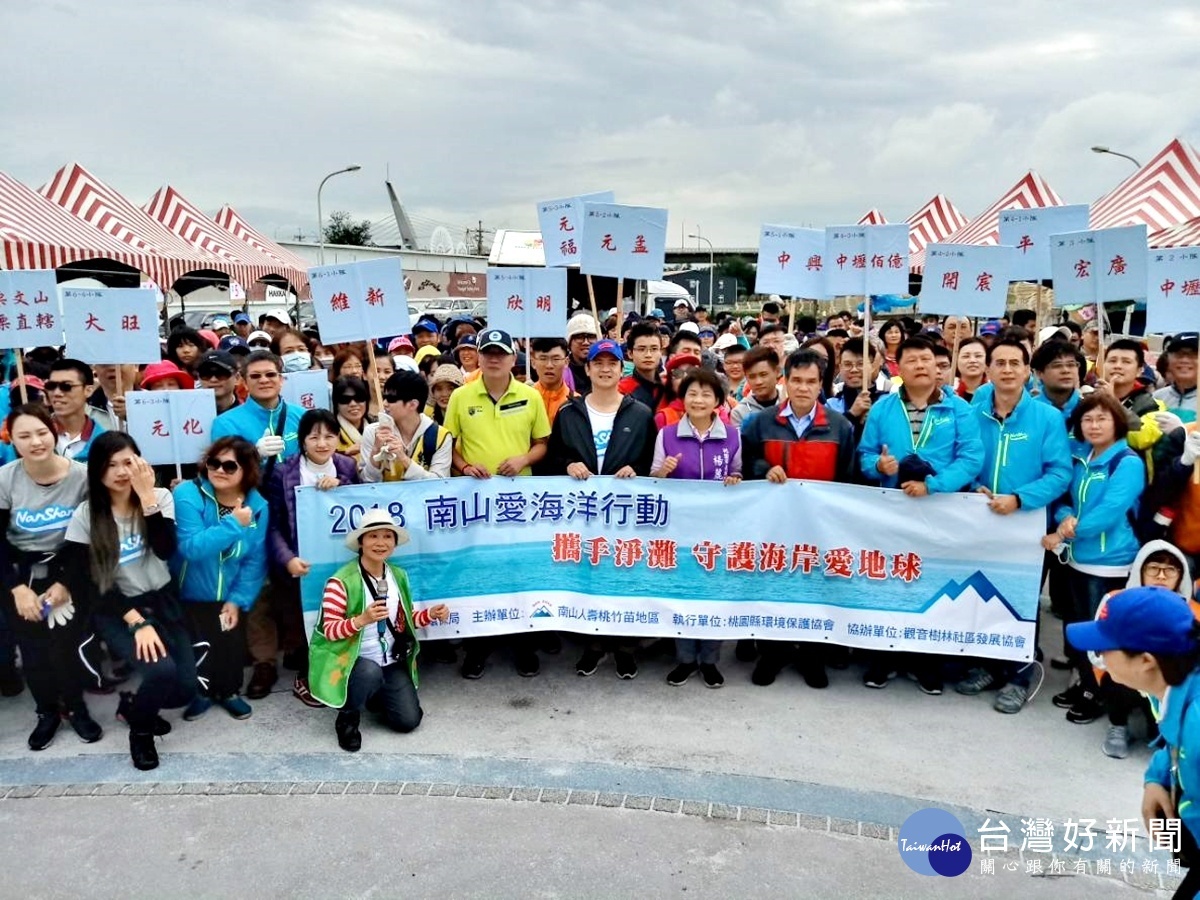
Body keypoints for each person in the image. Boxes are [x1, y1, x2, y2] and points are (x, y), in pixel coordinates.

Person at [858, 336, 985, 694]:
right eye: (911, 360)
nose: (920, 365)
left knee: (932, 583)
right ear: (899, 368)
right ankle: (884, 658)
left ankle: (924, 661)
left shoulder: (959, 409)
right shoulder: (883, 408)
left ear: (938, 365)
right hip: (893, 510)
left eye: (926, 359)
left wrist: (935, 484)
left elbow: (972, 458)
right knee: (889, 581)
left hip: (939, 510)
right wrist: (877, 465)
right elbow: (865, 454)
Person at [63, 432, 194, 771]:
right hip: (116, 606)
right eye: (111, 464)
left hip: (162, 598)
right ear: (97, 470)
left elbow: (166, 550)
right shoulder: (86, 515)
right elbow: (88, 585)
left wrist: (147, 497)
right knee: (161, 671)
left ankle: (132, 705)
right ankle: (140, 732)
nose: (122, 471)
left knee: (185, 687)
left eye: (129, 461)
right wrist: (137, 622)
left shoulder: (160, 497)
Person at [954, 340, 1072, 714]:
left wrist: (1020, 498)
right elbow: (959, 458)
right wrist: (974, 488)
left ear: (1027, 371)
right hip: (979, 520)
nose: (1007, 370)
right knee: (980, 593)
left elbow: (1060, 472)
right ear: (987, 370)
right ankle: (987, 665)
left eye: (1014, 363)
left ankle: (1019, 675)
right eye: (999, 363)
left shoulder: (1047, 418)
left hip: (1025, 524)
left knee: (1021, 600)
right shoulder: (970, 413)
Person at [1064, 586, 1200, 899]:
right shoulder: (1170, 684)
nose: (1097, 657)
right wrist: (1156, 779)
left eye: (1105, 648)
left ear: (1146, 660)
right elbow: (1173, 739)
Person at [741, 349, 858, 688]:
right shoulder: (760, 423)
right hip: (773, 526)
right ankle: (772, 653)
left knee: (815, 590)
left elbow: (848, 479)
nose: (803, 388)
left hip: (820, 528)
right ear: (785, 381)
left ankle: (811, 655)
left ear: (821, 384)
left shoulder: (839, 426)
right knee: (774, 588)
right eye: (797, 380)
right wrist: (765, 469)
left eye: (811, 382)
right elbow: (745, 464)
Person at [545, 339, 656, 679]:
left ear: (622, 368)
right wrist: (569, 465)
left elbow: (650, 460)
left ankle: (625, 649)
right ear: (588, 369)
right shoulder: (569, 412)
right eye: (599, 363)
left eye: (613, 362)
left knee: (623, 578)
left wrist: (635, 470)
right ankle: (592, 646)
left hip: (625, 514)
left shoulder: (640, 413)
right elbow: (554, 458)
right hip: (585, 513)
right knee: (588, 578)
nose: (606, 368)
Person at [446, 329, 550, 679]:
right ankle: (479, 646)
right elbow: (451, 446)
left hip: (521, 501)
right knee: (479, 572)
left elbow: (541, 443)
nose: (493, 359)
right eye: (487, 352)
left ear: (512, 358)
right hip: (476, 501)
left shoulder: (530, 396)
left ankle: (524, 645)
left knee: (520, 570)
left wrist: (522, 460)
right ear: (477, 356)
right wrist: (463, 466)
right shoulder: (461, 397)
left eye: (501, 353)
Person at [0, 405, 99, 750]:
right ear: (11, 439)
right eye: (24, 436)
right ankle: (46, 711)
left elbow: (89, 539)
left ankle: (76, 707)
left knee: (64, 646)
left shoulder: (82, 477)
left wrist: (65, 583)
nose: (35, 442)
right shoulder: (6, 478)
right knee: (33, 649)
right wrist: (16, 589)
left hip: (69, 567)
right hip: (20, 572)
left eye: (41, 432)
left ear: (54, 431)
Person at [309, 510, 450, 751]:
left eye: (387, 536)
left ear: (394, 543)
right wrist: (361, 620)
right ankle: (348, 717)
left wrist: (430, 615)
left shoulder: (398, 575)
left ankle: (376, 696)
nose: (381, 543)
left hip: (391, 660)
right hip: (354, 662)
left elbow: (403, 623)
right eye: (373, 536)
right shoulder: (340, 582)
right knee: (369, 672)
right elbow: (329, 631)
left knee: (409, 721)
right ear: (361, 542)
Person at [1046, 392, 1145, 726]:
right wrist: (1063, 517)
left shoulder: (1127, 462)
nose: (1094, 425)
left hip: (1110, 561)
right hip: (1077, 557)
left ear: (1117, 422)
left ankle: (1100, 693)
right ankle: (1086, 684)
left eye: (1102, 418)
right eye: (1087, 419)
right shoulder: (1081, 458)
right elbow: (1065, 499)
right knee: (1078, 627)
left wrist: (1062, 534)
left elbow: (1108, 512)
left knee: (1101, 632)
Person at [651, 369, 742, 689]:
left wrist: (735, 479)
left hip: (718, 532)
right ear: (683, 398)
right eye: (692, 393)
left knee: (714, 594)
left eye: (706, 394)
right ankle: (686, 659)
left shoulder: (732, 434)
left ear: (718, 400)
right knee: (685, 594)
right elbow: (654, 481)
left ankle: (710, 661)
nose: (699, 399)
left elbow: (738, 472)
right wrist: (664, 471)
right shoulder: (668, 434)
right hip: (680, 530)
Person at [265, 409, 360, 706]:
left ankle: (337, 670)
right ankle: (305, 676)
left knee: (338, 614)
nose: (322, 443)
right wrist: (287, 559)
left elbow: (362, 504)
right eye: (314, 436)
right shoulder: (284, 472)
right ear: (302, 440)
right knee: (304, 622)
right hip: (301, 564)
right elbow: (273, 524)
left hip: (340, 558)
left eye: (329, 436)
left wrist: (342, 487)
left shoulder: (346, 465)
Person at [173, 437, 268, 721]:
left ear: (247, 471)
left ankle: (228, 692)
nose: (220, 470)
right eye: (214, 462)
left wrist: (237, 601)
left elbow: (255, 560)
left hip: (229, 594)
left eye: (230, 465)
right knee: (197, 649)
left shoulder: (259, 506)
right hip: (189, 592)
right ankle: (200, 694)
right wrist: (233, 524)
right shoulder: (188, 494)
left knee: (229, 647)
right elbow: (191, 547)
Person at [1091, 541, 1194, 759]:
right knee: (1116, 678)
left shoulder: (1193, 612)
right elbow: (1094, 650)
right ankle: (1118, 725)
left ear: (1181, 576)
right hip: (1123, 676)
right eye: (1154, 568)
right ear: (1140, 570)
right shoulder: (1115, 600)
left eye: (1170, 570)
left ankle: (1162, 729)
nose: (1161, 576)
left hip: (1165, 682)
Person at [211, 350, 302, 477]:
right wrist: (255, 454)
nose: (264, 380)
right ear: (245, 383)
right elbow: (223, 473)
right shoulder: (225, 423)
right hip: (253, 494)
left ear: (281, 380)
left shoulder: (303, 416)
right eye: (255, 376)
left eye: (270, 374)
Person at [361, 370, 454, 482]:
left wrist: (404, 459)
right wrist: (375, 451)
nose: (385, 403)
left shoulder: (441, 436)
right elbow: (365, 481)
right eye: (384, 397)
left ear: (413, 404)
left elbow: (440, 483)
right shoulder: (373, 432)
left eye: (391, 399)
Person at [47, 358, 112, 461]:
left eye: (66, 386)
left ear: (88, 390)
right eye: (51, 386)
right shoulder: (33, 438)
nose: (57, 393)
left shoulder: (108, 442)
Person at [826, 341, 890, 438]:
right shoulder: (830, 405)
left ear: (873, 366)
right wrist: (851, 415)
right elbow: (827, 439)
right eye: (847, 364)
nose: (854, 370)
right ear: (840, 367)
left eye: (860, 364)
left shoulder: (887, 402)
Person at [731, 346, 783, 428]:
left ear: (777, 372)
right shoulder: (740, 412)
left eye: (763, 375)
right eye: (752, 377)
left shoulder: (792, 403)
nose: (758, 382)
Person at [619, 321, 666, 411]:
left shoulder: (669, 388)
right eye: (641, 349)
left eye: (654, 349)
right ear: (630, 353)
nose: (648, 355)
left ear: (661, 352)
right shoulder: (622, 390)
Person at [530, 337, 574, 424]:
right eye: (543, 359)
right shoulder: (523, 399)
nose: (549, 365)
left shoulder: (575, 402)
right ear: (533, 362)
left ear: (566, 362)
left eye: (556, 359)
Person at [1156, 335, 1199, 422]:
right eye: (1178, 354)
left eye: (1194, 354)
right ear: (1168, 358)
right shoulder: (1156, 397)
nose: (1184, 360)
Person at [332, 376, 370, 461]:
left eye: (359, 398)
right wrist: (346, 454)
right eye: (345, 399)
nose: (353, 404)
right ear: (336, 404)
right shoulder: (330, 431)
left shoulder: (376, 428)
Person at [197, 350, 242, 415]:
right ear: (198, 378)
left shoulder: (251, 415)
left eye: (221, 373)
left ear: (237, 378)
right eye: (206, 374)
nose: (213, 380)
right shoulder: (189, 415)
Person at [566, 314, 600, 395]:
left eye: (591, 337)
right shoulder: (561, 371)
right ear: (569, 343)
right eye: (579, 337)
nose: (586, 342)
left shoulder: (606, 370)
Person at [954, 337, 988, 402]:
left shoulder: (995, 391)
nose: (972, 360)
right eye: (966, 356)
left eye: (978, 356)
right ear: (956, 360)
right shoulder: (949, 391)